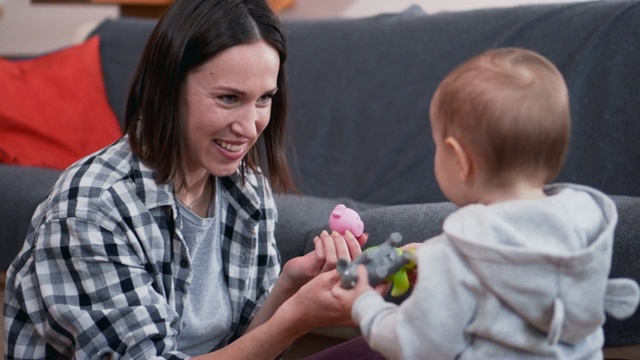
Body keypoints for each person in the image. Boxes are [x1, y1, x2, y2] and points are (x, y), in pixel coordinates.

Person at [3, 0, 369, 358]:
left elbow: (250, 346)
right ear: (169, 87)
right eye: (228, 98)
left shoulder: (246, 187)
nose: (249, 127)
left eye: (263, 99)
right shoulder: (92, 211)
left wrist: (291, 285)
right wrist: (294, 317)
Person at [331, 48, 640, 359]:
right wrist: (437, 262)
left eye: (437, 144)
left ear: (460, 160)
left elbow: (416, 345)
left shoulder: (457, 256)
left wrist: (364, 305)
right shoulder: (583, 222)